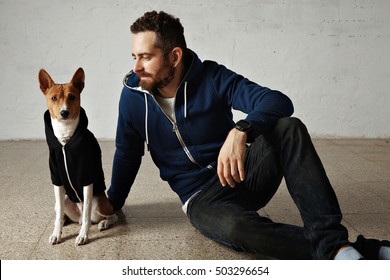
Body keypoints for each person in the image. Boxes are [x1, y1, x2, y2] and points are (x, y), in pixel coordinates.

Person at [107, 10, 389, 260]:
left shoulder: (212, 77)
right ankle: (348, 250)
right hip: (201, 199)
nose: (136, 67)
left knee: (288, 127)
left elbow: (277, 100)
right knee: (238, 230)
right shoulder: (132, 96)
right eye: (134, 56)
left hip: (243, 172)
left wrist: (242, 130)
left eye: (145, 57)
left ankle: (333, 244)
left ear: (174, 56)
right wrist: (112, 202)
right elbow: (127, 153)